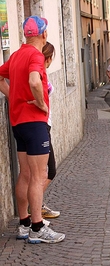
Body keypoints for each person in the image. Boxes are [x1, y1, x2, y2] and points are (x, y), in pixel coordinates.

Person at [0, 16, 65, 243]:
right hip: (35, 122)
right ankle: (37, 228)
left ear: (26, 34)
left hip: (18, 123)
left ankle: (24, 223)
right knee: (39, 177)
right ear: (44, 34)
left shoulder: (16, 55)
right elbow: (35, 81)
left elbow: (0, 76)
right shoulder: (36, 56)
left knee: (25, 175)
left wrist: (14, 96)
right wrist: (40, 102)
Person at [41, 41, 61, 219]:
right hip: (42, 125)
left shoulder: (41, 73)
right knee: (50, 170)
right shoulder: (37, 75)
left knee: (40, 172)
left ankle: (36, 205)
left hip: (44, 124)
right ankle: (36, 205)